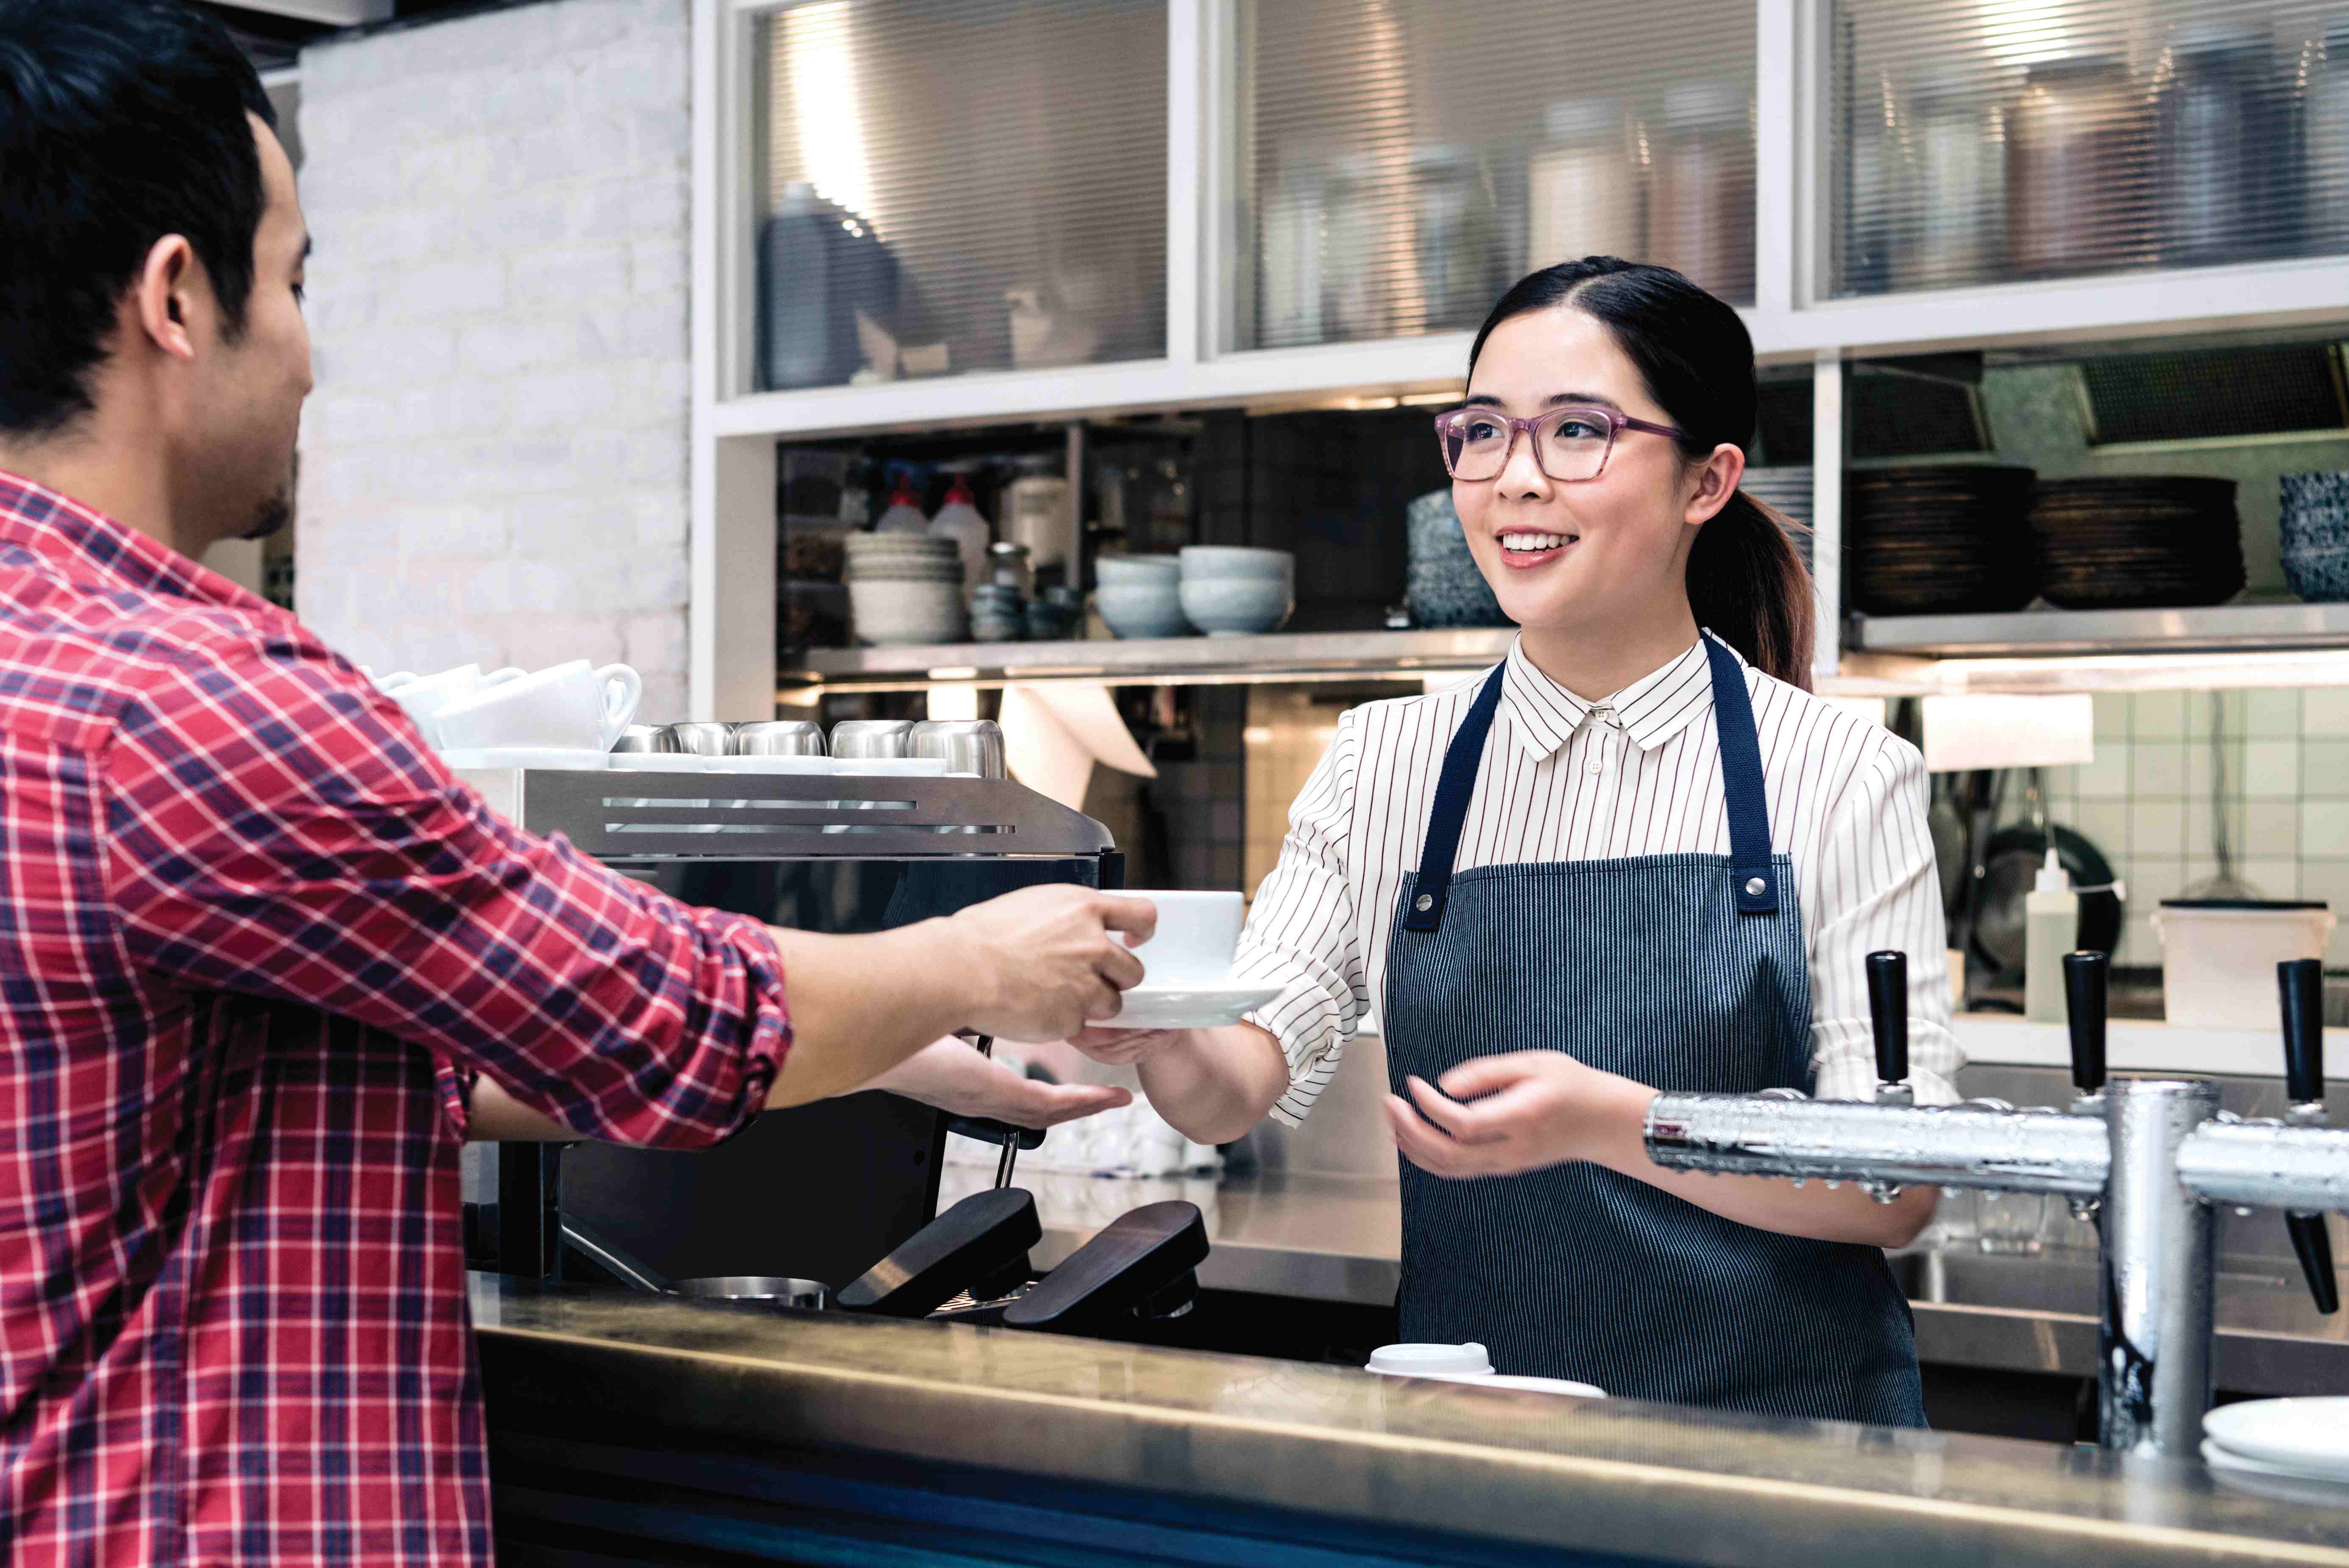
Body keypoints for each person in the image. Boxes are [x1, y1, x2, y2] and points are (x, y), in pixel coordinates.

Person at [0, 3, 1147, 1561]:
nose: (312, 351)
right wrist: (976, 959)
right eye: (294, 281)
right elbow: (674, 1024)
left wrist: (881, 1046)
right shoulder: (200, 703)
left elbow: (235, 1082)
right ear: (178, 299)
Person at [1073, 258, 1963, 1426]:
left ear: (1707, 480)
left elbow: (1892, 1185)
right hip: (1480, 1451)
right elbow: (1235, 1088)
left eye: (1578, 433)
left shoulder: (1841, 773)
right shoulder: (1384, 761)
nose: (1515, 482)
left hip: (1778, 1460)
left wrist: (1611, 1124)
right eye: (1481, 434)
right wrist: (1153, 1027)